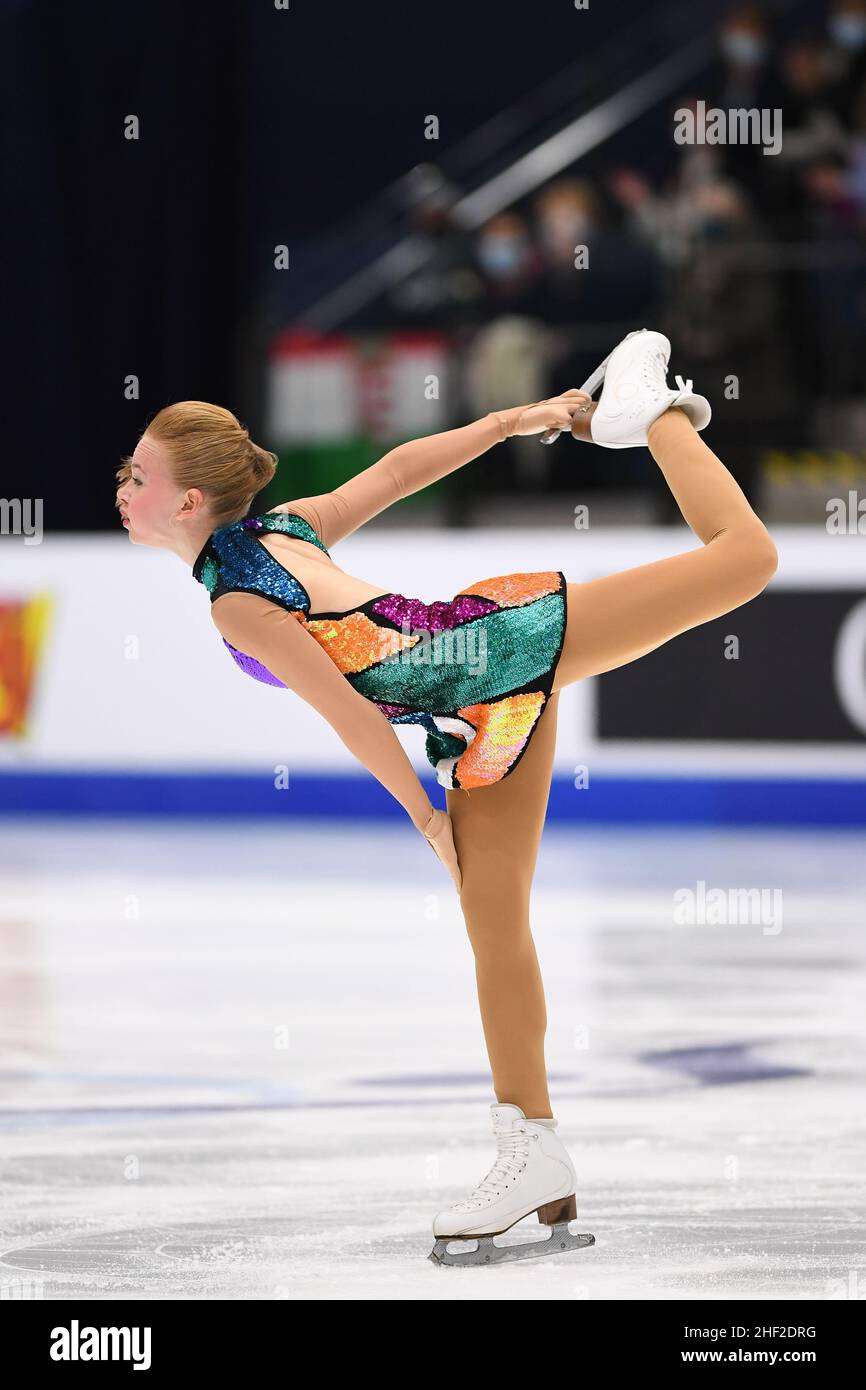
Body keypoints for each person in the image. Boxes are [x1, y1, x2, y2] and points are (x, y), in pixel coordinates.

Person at [115, 329, 778, 1265]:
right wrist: (513, 417)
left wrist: (425, 816)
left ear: (185, 501)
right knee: (495, 920)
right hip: (474, 700)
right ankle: (533, 1149)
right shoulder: (278, 532)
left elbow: (350, 712)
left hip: (491, 652)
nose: (121, 487)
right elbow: (391, 474)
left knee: (744, 559)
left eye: (134, 475)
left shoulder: (235, 598)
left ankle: (649, 405)